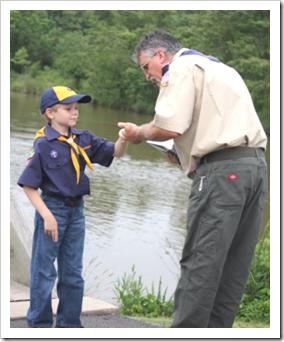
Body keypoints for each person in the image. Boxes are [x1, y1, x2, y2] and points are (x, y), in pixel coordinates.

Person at [118, 29, 267, 328]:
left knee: (201, 262)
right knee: (233, 266)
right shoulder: (220, 68)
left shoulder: (181, 68)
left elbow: (166, 128)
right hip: (255, 168)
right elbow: (215, 126)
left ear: (161, 55)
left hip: (224, 174)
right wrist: (184, 152)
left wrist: (138, 134)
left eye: (146, 67)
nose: (148, 76)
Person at [18, 86, 128, 328]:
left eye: (76, 108)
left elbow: (116, 152)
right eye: (68, 108)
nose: (74, 112)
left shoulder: (83, 138)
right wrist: (46, 216)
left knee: (73, 273)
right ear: (50, 113)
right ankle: (40, 324)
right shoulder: (43, 143)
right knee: (44, 270)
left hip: (76, 212)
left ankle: (69, 324)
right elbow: (28, 185)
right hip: (52, 210)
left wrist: (124, 139)